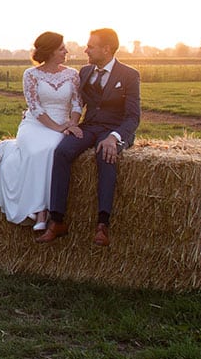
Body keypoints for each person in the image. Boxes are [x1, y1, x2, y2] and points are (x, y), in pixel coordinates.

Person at [37, 28, 141, 246]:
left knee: (106, 155)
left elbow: (133, 117)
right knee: (62, 151)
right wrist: (63, 123)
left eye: (91, 46)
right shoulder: (84, 72)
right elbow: (73, 102)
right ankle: (57, 221)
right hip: (89, 127)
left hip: (114, 129)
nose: (86, 50)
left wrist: (114, 137)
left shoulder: (130, 75)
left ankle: (103, 225)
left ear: (106, 48)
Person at [0, 31, 84, 230]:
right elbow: (35, 107)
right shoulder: (30, 75)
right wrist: (58, 127)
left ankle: (41, 212)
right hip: (35, 125)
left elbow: (77, 104)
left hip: (63, 124)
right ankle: (39, 210)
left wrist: (72, 125)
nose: (66, 51)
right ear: (49, 51)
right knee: (38, 150)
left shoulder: (72, 75)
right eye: (61, 48)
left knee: (53, 149)